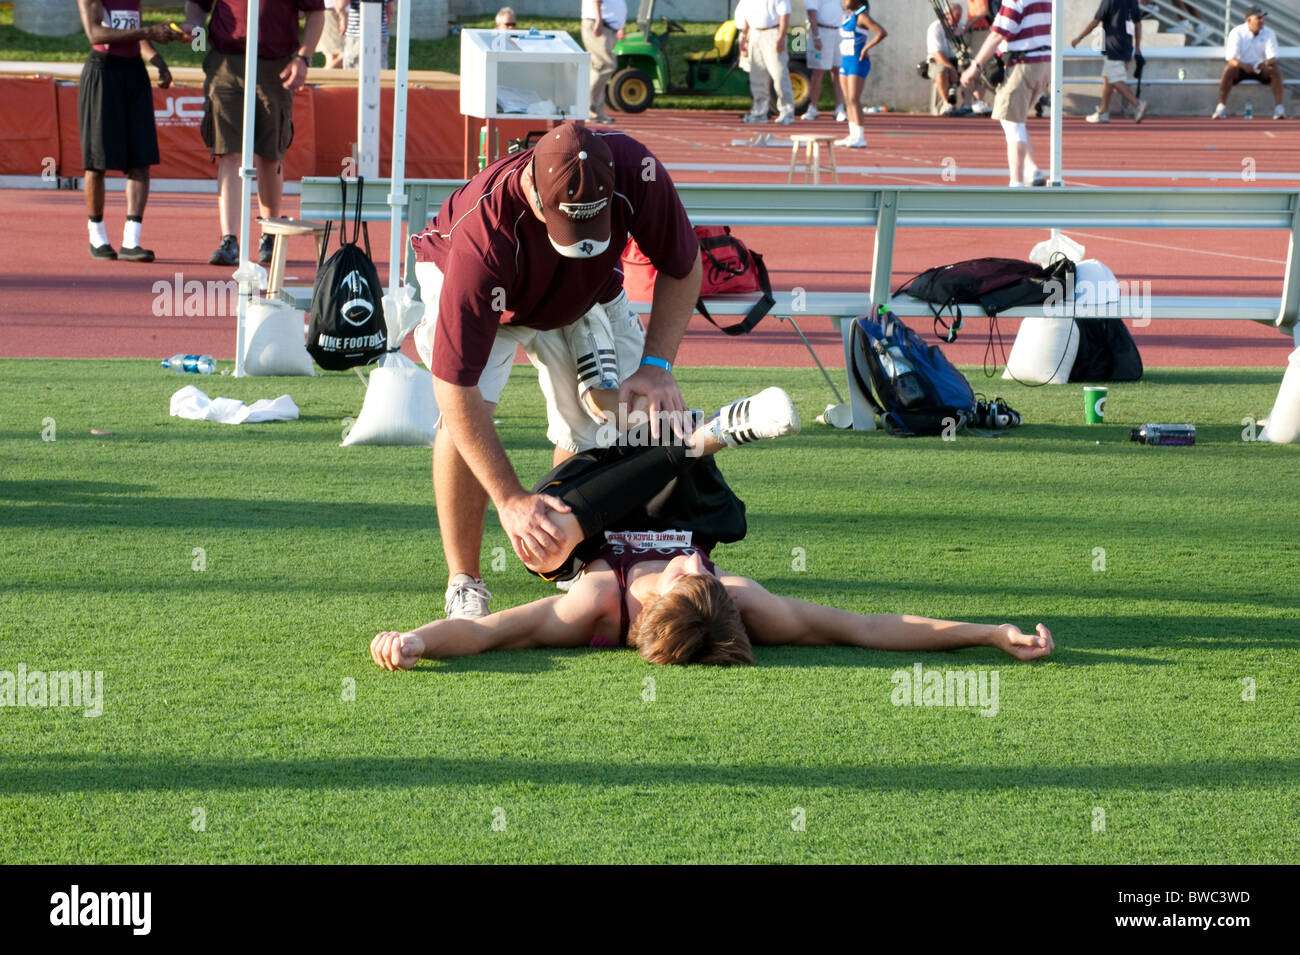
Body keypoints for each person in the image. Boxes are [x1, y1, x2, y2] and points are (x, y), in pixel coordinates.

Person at [369, 394, 1055, 669]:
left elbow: (489, 635)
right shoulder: (735, 599)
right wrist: (987, 631)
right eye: (708, 576)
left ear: (654, 607)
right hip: (669, 498)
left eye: (685, 576)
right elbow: (867, 627)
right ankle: (694, 441)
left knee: (575, 508)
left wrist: (418, 639)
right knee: (675, 477)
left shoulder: (598, 608)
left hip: (573, 520)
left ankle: (696, 441)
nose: (695, 568)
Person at [407, 122, 703, 620]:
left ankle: (579, 559)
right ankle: (464, 580)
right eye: (572, 228)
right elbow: (454, 389)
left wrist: (656, 366)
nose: (584, 238)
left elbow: (683, 264)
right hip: (494, 302)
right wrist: (509, 498)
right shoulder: (482, 240)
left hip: (585, 291)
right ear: (535, 197)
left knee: (609, 424)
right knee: (464, 422)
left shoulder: (637, 171)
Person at [184, 0, 325, 267]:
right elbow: (196, 6)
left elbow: (317, 12)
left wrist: (304, 58)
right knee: (228, 151)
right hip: (226, 63)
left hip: (276, 64)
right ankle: (229, 239)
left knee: (270, 153)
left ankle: (270, 232)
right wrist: (196, 32)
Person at [76, 1, 179, 262]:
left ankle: (131, 241)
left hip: (134, 72)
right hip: (103, 70)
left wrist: (158, 61)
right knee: (96, 161)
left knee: (141, 158)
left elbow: (137, 38)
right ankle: (97, 236)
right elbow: (95, 34)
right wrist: (148, 31)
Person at [961, 0, 1050, 187]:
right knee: (1016, 120)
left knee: (1012, 123)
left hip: (1022, 64)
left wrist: (974, 66)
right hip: (1043, 64)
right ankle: (1031, 169)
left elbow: (997, 35)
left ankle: (1016, 183)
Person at [1073, 0, 1149, 125]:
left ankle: (1138, 104)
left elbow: (1095, 21)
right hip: (1126, 46)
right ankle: (1103, 112)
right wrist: (1137, 48)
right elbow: (1138, 24)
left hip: (1113, 46)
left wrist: (1079, 37)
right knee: (1107, 79)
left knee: (1114, 80)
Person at [1212, 5, 1286, 120]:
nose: (1262, 20)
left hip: (1261, 69)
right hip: (1241, 68)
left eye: (1263, 17)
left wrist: (1265, 62)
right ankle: (1220, 107)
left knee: (1275, 69)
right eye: (1259, 18)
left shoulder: (1269, 33)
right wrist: (1243, 65)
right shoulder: (1237, 32)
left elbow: (1273, 57)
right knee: (1229, 69)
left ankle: (1279, 109)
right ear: (1248, 20)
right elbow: (1231, 58)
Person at [835, 2, 887, 148]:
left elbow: (882, 32)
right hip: (845, 60)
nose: (842, 2)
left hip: (857, 61)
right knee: (847, 99)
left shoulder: (861, 17)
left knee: (853, 98)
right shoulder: (845, 15)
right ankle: (852, 135)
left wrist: (866, 48)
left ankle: (860, 137)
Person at [737, 0, 796, 125]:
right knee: (757, 76)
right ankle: (760, 112)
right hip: (754, 33)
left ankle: (787, 111)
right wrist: (744, 37)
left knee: (779, 74)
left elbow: (784, 14)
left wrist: (781, 37)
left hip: (772, 33)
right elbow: (747, 16)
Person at [581, 1, 625, 125]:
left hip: (607, 27)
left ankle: (597, 112)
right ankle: (588, 108)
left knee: (598, 68)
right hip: (598, 24)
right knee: (605, 66)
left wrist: (619, 26)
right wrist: (599, 20)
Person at [802, 0, 845, 121]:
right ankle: (813, 108)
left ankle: (839, 108)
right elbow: (811, 13)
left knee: (838, 71)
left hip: (839, 32)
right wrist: (816, 37)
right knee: (818, 72)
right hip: (822, 32)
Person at [341, 0, 394, 71]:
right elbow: (390, 10)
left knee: (353, 69)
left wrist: (342, 18)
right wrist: (383, 26)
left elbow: (342, 4)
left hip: (356, 32)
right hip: (380, 32)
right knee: (379, 69)